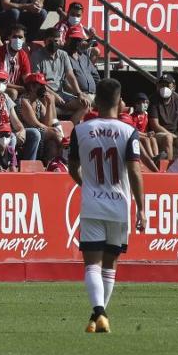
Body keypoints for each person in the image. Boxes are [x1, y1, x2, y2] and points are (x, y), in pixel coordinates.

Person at [67, 77, 145, 334]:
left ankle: (98, 313)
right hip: (119, 206)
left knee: (91, 264)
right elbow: (135, 171)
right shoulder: (128, 131)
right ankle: (100, 314)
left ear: (97, 101)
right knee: (110, 264)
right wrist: (142, 208)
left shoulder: (80, 130)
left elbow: (72, 167)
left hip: (92, 204)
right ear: (120, 102)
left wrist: (85, 184)